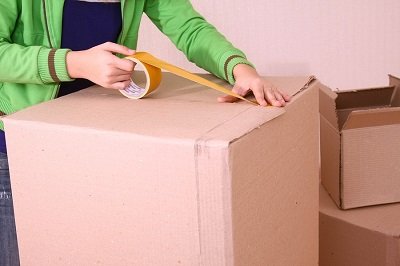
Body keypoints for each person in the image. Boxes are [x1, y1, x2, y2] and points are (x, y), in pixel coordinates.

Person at [0, 0, 291, 264]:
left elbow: (189, 29)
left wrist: (240, 69)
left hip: (88, 144)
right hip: (14, 149)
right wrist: (73, 63)